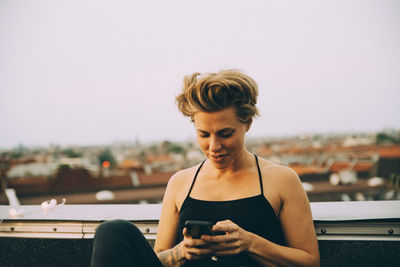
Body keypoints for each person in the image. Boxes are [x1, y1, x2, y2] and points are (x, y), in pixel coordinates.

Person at [90, 70, 320, 267]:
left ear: (247, 124)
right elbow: (158, 258)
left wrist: (250, 243)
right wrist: (181, 252)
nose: (214, 146)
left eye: (225, 134)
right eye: (203, 134)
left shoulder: (282, 180)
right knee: (112, 231)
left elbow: (310, 262)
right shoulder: (181, 182)